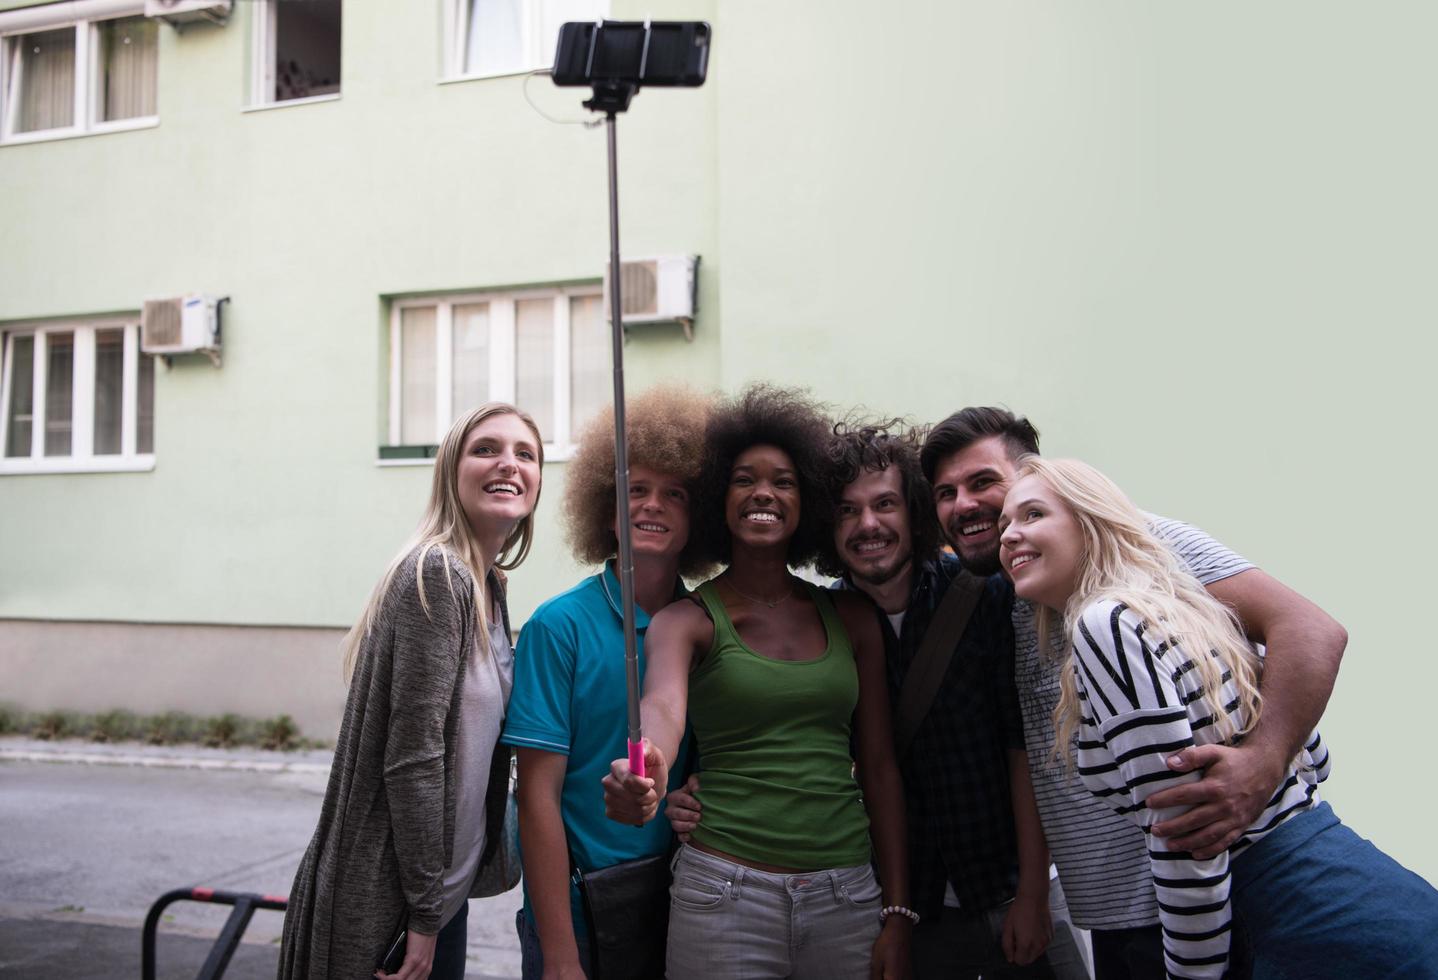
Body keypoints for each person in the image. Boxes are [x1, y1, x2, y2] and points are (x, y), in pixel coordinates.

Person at [919, 407, 1347, 979]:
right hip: (1117, 916)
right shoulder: (1012, 588)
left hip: (1202, 903)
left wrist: (1262, 764)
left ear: (1034, 474)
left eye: (982, 482)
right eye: (945, 493)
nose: (962, 505)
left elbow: (1310, 631)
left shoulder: (1136, 541)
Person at [666, 420, 1087, 979]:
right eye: (845, 510)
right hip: (918, 909)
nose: (868, 525)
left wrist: (1034, 893)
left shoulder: (985, 595)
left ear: (911, 512)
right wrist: (689, 789)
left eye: (885, 504)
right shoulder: (831, 620)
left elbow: (1024, 750)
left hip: (1009, 888)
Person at [997, 457, 1438, 979]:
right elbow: (1314, 757)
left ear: (1090, 521)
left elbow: (1184, 846)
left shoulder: (1106, 626)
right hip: (1362, 881)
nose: (1009, 536)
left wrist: (1192, 976)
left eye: (1031, 515)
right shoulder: (1178, 604)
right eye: (1006, 524)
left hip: (1305, 920)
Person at [604, 384, 913, 980]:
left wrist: (897, 911)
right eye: (745, 479)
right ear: (720, 498)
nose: (764, 492)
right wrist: (646, 769)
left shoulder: (853, 619)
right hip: (723, 896)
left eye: (785, 481)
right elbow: (662, 709)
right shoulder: (685, 621)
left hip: (847, 898)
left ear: (809, 503)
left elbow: (879, 767)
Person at [279, 402, 543, 980]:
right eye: (487, 449)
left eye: (525, 454)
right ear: (451, 470)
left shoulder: (489, 586)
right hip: (393, 901)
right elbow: (414, 758)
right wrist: (424, 916)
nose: (509, 464)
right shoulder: (437, 574)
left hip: (436, 896)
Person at [501, 385, 713, 979]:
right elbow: (536, 797)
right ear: (605, 507)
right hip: (580, 911)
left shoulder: (706, 625)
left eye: (674, 493)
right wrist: (561, 956)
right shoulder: (557, 626)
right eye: (635, 490)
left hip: (687, 902)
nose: (652, 505)